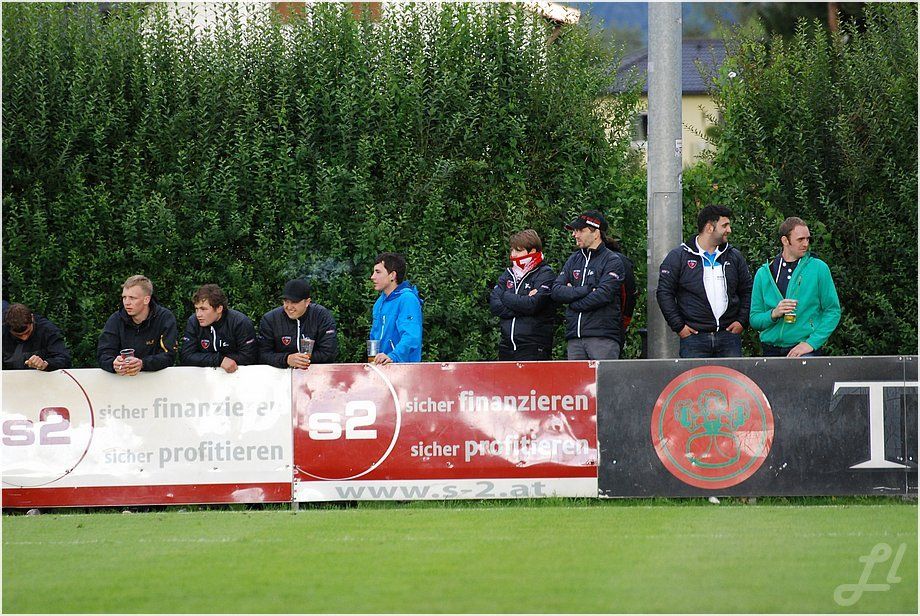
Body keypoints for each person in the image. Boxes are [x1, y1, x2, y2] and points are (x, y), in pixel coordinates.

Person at [656, 204, 753, 358]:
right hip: (694, 339)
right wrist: (679, 326)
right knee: (695, 376)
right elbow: (664, 292)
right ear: (709, 228)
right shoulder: (678, 256)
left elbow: (747, 290)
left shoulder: (734, 256)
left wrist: (742, 321)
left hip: (729, 337)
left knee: (730, 376)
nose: (729, 230)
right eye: (724, 225)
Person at [750, 216, 841, 358]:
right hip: (770, 350)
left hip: (805, 350)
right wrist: (773, 314)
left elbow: (833, 311)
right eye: (800, 239)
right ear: (785, 241)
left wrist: (811, 343)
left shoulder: (819, 268)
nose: (806, 244)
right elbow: (754, 319)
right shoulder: (763, 273)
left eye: (808, 239)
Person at [551, 210, 626, 360]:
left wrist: (572, 302)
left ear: (596, 233)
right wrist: (587, 290)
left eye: (580, 230)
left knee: (604, 377)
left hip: (602, 337)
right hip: (574, 337)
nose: (574, 235)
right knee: (575, 377)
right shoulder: (573, 259)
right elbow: (556, 291)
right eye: (574, 231)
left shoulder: (612, 260)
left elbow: (603, 295)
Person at [488, 229, 556, 361]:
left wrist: (505, 296)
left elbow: (533, 305)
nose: (513, 255)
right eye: (512, 250)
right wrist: (522, 304)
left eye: (518, 251)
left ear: (532, 251)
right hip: (506, 345)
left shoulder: (545, 273)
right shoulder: (508, 274)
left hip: (533, 346)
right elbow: (495, 306)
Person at [97, 275, 178, 375]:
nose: (127, 303)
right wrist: (113, 364)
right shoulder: (115, 319)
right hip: (122, 380)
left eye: (132, 298)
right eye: (124, 297)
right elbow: (103, 353)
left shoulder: (164, 318)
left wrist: (143, 364)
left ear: (146, 300)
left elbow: (169, 355)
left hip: (156, 380)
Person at [257, 278, 338, 369]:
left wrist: (302, 360)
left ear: (307, 302)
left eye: (294, 302)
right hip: (280, 375)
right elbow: (262, 354)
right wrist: (287, 359)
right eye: (286, 301)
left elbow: (329, 352)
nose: (289, 307)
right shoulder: (270, 319)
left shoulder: (321, 316)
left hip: (316, 373)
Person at [180, 284, 257, 373]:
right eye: (196, 309)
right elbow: (186, 356)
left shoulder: (240, 322)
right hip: (204, 377)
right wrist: (219, 360)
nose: (198, 314)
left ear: (219, 309)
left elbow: (249, 357)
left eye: (203, 309)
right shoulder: (193, 322)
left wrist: (212, 359)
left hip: (238, 375)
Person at [369, 252, 423, 364]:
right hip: (381, 368)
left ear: (392, 275)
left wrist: (393, 356)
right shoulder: (379, 303)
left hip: (404, 369)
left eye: (378, 272)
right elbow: (374, 337)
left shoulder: (407, 299)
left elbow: (411, 336)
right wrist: (372, 361)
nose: (372, 277)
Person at [2, 303, 71, 371]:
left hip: (43, 375)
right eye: (18, 335)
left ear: (32, 318)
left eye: (27, 332)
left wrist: (45, 364)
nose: (24, 338)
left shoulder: (47, 330)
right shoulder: (3, 332)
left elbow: (64, 359)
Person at [603, 235, 639, 357]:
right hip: (613, 324)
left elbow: (628, 294)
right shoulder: (622, 260)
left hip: (610, 325)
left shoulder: (617, 261)